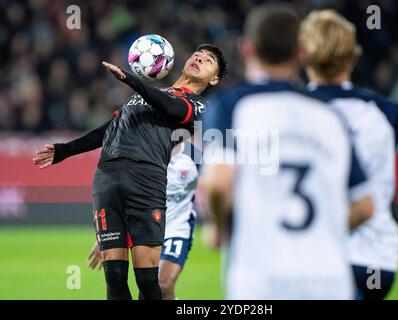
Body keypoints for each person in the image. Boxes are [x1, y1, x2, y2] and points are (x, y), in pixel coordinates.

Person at [199, 2, 373, 299]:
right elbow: (364, 206)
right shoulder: (332, 116)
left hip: (261, 281)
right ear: (301, 53)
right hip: (330, 282)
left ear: (246, 49)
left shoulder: (229, 107)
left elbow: (217, 184)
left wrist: (217, 227)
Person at [33, 43, 227, 300]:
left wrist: (130, 80)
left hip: (146, 178)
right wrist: (65, 150)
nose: (199, 58)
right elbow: (111, 128)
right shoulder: (147, 94)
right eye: (197, 55)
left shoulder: (200, 106)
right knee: (114, 277)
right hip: (106, 175)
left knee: (147, 280)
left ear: (214, 78)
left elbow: (171, 107)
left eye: (208, 60)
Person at [299, 9, 398, 299]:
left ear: (303, 55)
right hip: (375, 261)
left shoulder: (289, 109)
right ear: (353, 56)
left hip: (311, 255)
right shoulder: (388, 111)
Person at [86, 142, 198, 300]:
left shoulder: (194, 155)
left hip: (177, 227)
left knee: (163, 285)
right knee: (144, 285)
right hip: (147, 226)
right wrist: (109, 234)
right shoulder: (140, 153)